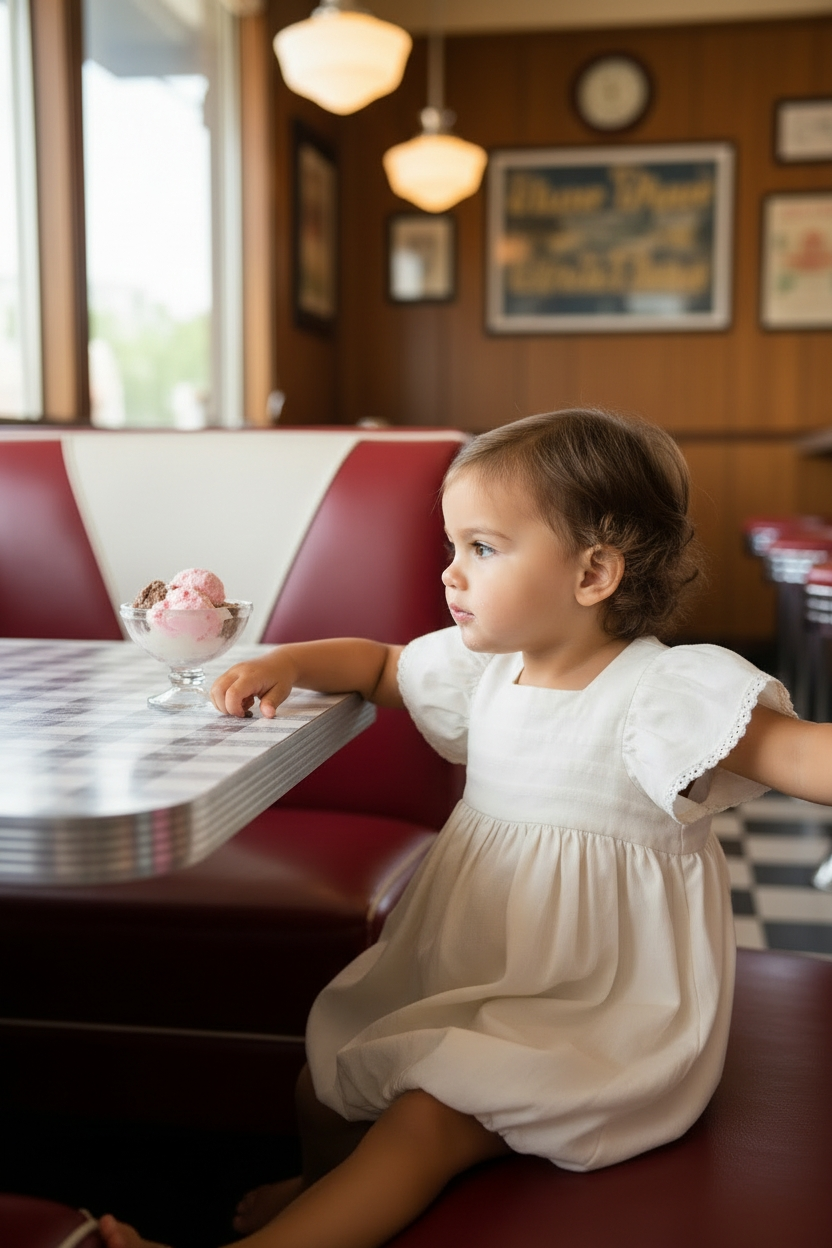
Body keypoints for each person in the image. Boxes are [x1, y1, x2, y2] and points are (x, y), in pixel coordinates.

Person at [98, 408, 832, 1248]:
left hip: (590, 1012)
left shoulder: (664, 693)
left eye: (482, 549)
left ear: (594, 573)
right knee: (323, 1084)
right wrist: (289, 660)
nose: (450, 573)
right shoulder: (483, 668)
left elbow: (806, 759)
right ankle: (321, 1194)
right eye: (452, 546)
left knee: (421, 1125)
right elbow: (379, 665)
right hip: (471, 970)